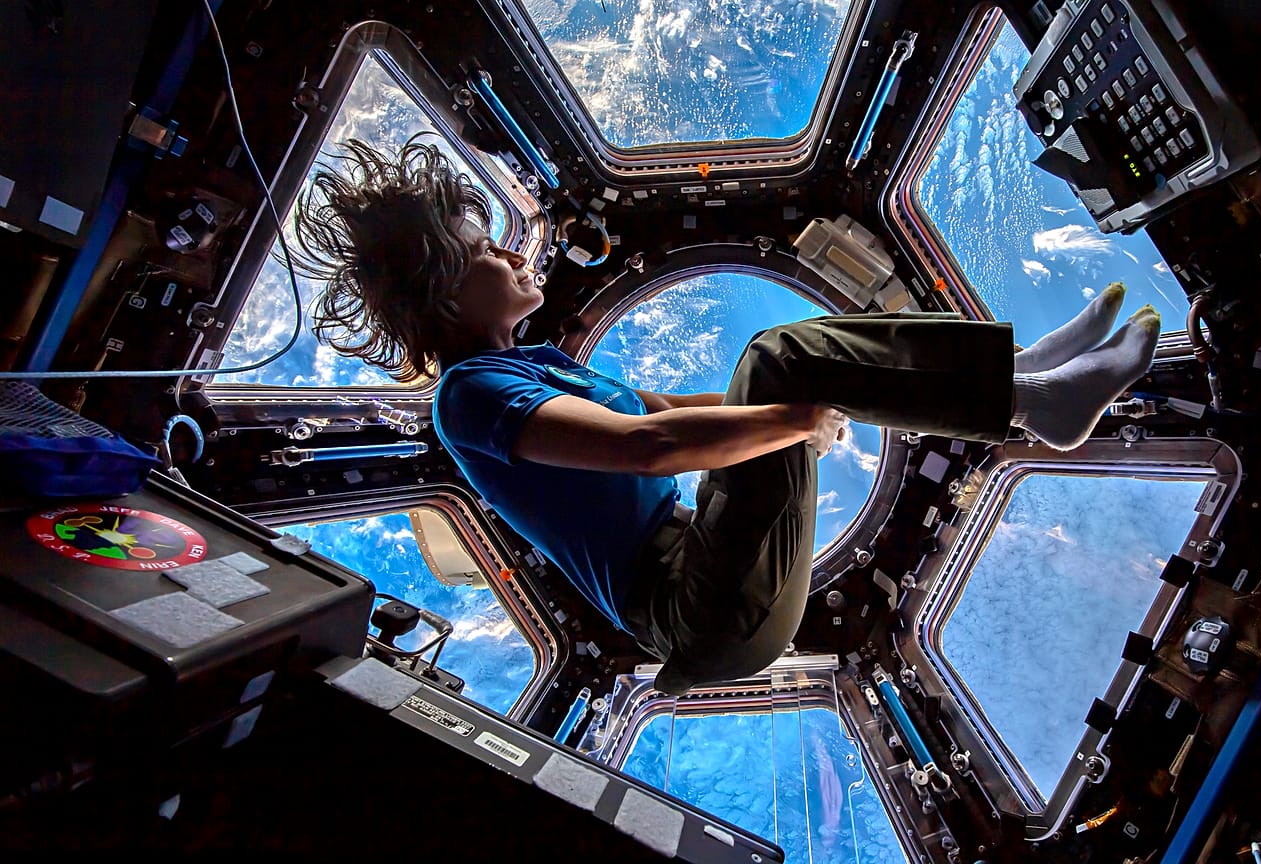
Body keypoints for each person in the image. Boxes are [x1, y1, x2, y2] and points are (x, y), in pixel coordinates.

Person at [296, 137, 1161, 695]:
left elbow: (663, 407)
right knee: (778, 360)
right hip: (693, 606)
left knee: (778, 371)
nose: (508, 251)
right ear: (445, 291)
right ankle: (1030, 396)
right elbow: (651, 447)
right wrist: (799, 416)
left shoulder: (527, 367)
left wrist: (799, 409)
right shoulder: (467, 396)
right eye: (483, 250)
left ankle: (1019, 378)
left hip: (706, 577)